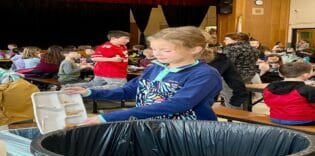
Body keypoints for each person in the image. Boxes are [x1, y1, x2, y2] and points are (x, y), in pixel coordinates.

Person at [64, 26, 222, 125]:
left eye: (166, 50)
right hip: (152, 126)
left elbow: (177, 105)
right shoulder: (156, 68)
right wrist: (90, 92)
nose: (157, 54)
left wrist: (109, 117)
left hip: (190, 131)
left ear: (194, 49)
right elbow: (128, 90)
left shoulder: (205, 74)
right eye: (154, 49)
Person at [264, 62, 315, 126]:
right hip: (302, 120)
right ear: (306, 75)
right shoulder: (309, 89)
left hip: (275, 118)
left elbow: (267, 102)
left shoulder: (270, 87)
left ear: (281, 74)